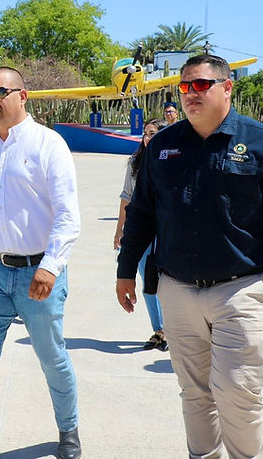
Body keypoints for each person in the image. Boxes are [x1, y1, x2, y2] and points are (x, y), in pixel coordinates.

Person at [116, 54, 263, 459]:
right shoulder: (164, 146)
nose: (191, 93)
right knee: (194, 394)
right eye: (185, 86)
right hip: (176, 290)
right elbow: (142, 213)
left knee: (237, 396)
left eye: (202, 85)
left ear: (227, 88)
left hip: (242, 290)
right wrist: (125, 272)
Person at [0, 67, 82, 459]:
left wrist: (50, 266)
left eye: (0, 91)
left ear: (23, 96)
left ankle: (69, 429)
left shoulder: (49, 144)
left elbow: (68, 215)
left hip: (38, 274)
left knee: (52, 359)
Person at [114, 118, 168, 352]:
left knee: (167, 282)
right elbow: (127, 196)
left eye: (154, 133)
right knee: (148, 282)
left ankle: (171, 329)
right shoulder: (135, 162)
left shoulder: (172, 161)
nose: (148, 138)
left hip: (166, 231)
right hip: (140, 231)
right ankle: (159, 330)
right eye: (146, 134)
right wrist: (120, 230)